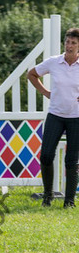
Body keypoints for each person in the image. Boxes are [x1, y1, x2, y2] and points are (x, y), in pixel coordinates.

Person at [27, 27, 79, 208]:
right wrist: (45, 92)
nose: (69, 45)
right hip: (55, 115)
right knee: (46, 155)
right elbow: (31, 74)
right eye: (67, 42)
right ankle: (47, 196)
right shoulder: (53, 62)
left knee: (72, 160)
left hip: (76, 118)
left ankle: (69, 201)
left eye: (73, 43)